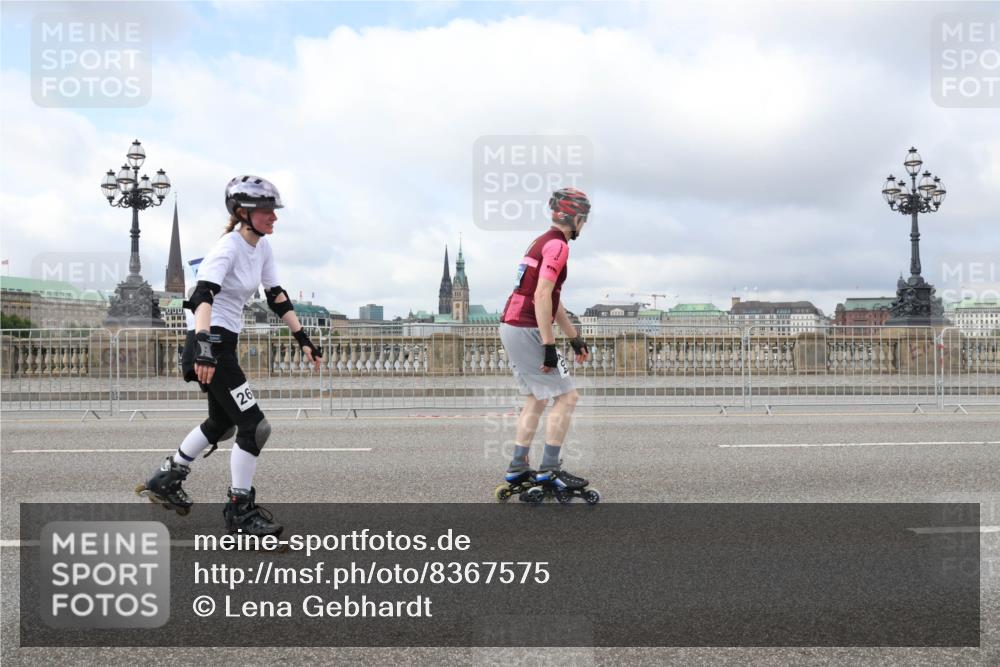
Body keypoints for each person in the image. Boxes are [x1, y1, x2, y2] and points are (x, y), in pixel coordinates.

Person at [138, 175, 322, 535]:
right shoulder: (228, 247)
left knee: (221, 424)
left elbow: (277, 296)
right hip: (210, 344)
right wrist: (205, 348)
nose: (274, 217)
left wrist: (303, 336)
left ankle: (166, 478)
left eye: (274, 210)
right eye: (266, 210)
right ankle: (240, 511)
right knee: (255, 426)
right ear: (243, 212)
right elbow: (200, 295)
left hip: (224, 344)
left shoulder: (263, 247)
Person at [497, 187, 593, 500]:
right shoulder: (559, 247)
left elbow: (553, 298)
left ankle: (517, 466)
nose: (585, 225)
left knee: (537, 399)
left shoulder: (541, 241)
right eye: (584, 219)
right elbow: (541, 296)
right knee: (568, 397)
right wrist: (550, 346)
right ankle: (549, 469)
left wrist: (574, 336)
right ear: (575, 218)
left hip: (512, 324)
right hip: (527, 326)